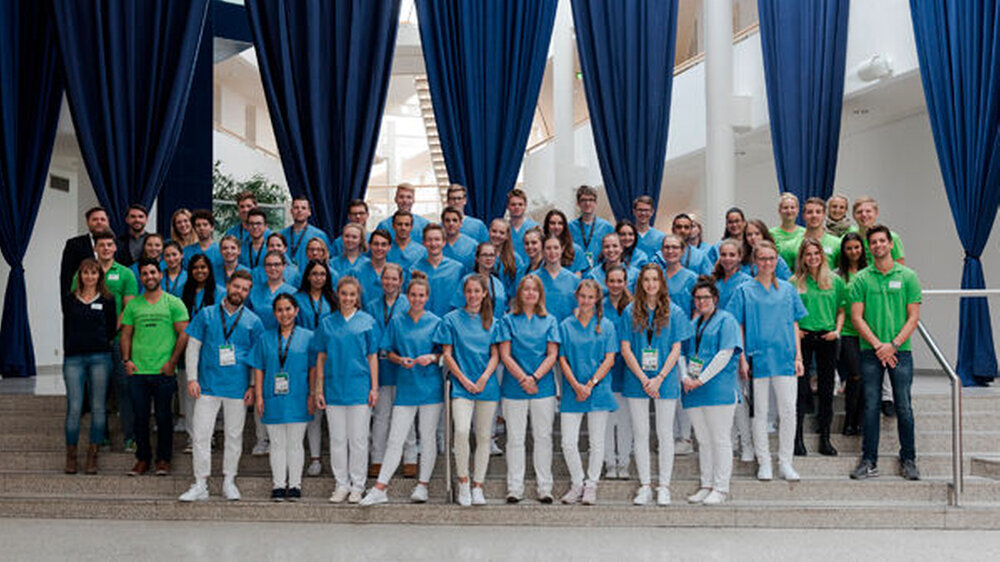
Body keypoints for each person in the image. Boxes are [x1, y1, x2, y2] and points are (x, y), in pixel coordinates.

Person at [178, 270, 263, 502]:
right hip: (207, 386)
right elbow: (193, 347)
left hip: (237, 388)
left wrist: (253, 386)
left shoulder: (253, 322)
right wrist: (192, 379)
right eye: (236, 286)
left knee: (234, 436)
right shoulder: (206, 314)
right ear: (228, 285)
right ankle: (200, 483)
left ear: (248, 292)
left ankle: (229, 481)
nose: (239, 292)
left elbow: (256, 358)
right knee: (201, 435)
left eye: (245, 289)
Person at [361, 276, 444, 505]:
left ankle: (423, 485)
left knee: (427, 437)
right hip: (406, 386)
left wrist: (432, 357)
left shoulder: (436, 322)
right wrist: (399, 360)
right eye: (413, 295)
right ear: (407, 296)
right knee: (395, 438)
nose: (417, 299)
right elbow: (387, 351)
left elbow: (444, 353)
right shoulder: (397, 322)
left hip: (430, 387)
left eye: (421, 295)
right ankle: (380, 488)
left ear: (427, 297)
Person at [729, 241, 807, 482]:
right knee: (760, 412)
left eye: (771, 258)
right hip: (757, 358)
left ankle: (785, 462)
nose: (767, 263)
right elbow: (738, 325)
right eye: (762, 259)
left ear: (777, 260)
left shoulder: (788, 289)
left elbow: (794, 323)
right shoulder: (744, 290)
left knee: (788, 411)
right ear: (755, 261)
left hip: (784, 357)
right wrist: (742, 358)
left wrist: (798, 356)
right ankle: (764, 462)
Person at [849, 225, 922, 481]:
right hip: (871, 352)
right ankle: (869, 460)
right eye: (874, 242)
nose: (878, 245)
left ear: (891, 244)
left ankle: (909, 458)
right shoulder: (861, 279)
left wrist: (893, 344)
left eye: (882, 241)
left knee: (904, 406)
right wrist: (879, 346)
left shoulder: (908, 276)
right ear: (869, 248)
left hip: (901, 351)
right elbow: (856, 317)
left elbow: (913, 317)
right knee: (870, 406)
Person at [619, 264, 694, 506]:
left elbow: (676, 348)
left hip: (665, 378)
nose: (650, 284)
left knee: (664, 433)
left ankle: (664, 486)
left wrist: (659, 377)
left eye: (655, 279)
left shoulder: (675, 311)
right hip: (636, 378)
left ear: (662, 283)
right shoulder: (630, 311)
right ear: (640, 283)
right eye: (646, 280)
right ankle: (645, 486)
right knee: (640, 433)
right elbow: (625, 348)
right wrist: (644, 378)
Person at [313, 276, 380, 503]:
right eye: (344, 294)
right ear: (337, 295)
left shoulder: (367, 322)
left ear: (358, 297)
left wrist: (374, 388)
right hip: (334, 388)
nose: (348, 298)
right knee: (338, 439)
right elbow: (321, 357)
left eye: (352, 294)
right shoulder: (327, 323)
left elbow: (372, 357)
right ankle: (341, 484)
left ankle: (358, 485)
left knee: (358, 439)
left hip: (359, 387)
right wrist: (319, 389)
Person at [120, 258, 190, 476]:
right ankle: (142, 459)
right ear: (140, 278)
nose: (149, 277)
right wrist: (126, 360)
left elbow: (184, 334)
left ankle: (163, 460)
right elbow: (126, 334)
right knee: (140, 417)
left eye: (152, 272)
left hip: (163, 371)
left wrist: (172, 362)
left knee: (163, 417)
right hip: (138, 371)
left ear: (160, 274)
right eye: (145, 273)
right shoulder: (133, 305)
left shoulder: (174, 302)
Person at [436, 274, 501, 506]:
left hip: (486, 386)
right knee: (462, 431)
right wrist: (463, 380)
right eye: (469, 291)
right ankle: (463, 481)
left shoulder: (493, 322)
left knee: (483, 436)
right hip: (461, 386)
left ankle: (478, 486)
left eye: (477, 291)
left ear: (484, 294)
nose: (473, 295)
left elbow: (495, 355)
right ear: (464, 293)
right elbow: (447, 354)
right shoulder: (451, 320)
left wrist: (483, 378)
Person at [72, 231, 138, 451]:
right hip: (92, 343)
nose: (106, 248)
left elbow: (129, 308)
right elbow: (76, 304)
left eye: (110, 244)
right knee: (97, 391)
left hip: (119, 340)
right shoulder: (84, 273)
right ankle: (102, 437)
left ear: (115, 248)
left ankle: (130, 437)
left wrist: (111, 332)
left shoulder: (126, 274)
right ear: (95, 248)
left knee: (124, 387)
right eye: (102, 245)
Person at [498, 274, 561, 503]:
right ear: (519, 293)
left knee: (543, 437)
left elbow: (552, 354)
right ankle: (515, 487)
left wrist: (534, 377)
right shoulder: (508, 320)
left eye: (534, 289)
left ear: (540, 294)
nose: (530, 293)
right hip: (514, 387)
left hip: (542, 387)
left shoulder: (549, 320)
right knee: (515, 438)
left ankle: (545, 487)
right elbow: (505, 354)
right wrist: (524, 379)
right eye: (526, 289)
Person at [681, 278, 742, 505]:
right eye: (697, 298)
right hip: (694, 390)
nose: (701, 301)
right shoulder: (693, 324)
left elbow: (725, 354)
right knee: (703, 440)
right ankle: (706, 484)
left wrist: (701, 379)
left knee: (720, 439)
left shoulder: (726, 321)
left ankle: (721, 487)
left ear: (715, 299)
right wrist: (685, 377)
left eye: (706, 297)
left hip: (718, 389)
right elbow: (681, 352)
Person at [558, 280, 618, 505]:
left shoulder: (606, 326)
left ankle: (591, 484)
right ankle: (577, 482)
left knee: (596, 442)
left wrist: (590, 384)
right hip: (572, 390)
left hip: (598, 390)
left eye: (590, 297)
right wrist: (576, 385)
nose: (586, 301)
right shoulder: (566, 325)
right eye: (583, 296)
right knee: (567, 442)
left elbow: (609, 359)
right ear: (577, 296)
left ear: (597, 299)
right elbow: (562, 359)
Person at [251, 294, 315, 501]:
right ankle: (278, 485)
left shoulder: (309, 337)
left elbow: (314, 368)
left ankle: (295, 485)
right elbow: (258, 368)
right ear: (274, 313)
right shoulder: (265, 338)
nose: (284, 313)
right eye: (279, 310)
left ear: (296, 311)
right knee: (277, 444)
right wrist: (259, 396)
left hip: (299, 397)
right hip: (272, 397)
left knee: (295, 443)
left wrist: (313, 394)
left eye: (288, 309)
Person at [791, 238, 846, 457]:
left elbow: (842, 310)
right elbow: (789, 313)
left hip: (827, 338)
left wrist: (837, 331)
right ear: (802, 257)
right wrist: (796, 331)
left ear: (822, 255)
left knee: (826, 389)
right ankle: (797, 439)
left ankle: (825, 438)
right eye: (808, 254)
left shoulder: (835, 281)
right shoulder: (794, 282)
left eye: (816, 253)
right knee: (801, 389)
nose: (812, 258)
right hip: (804, 337)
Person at [62, 259, 117, 474]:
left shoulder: (107, 300)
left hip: (100, 358)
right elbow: (67, 326)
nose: (90, 277)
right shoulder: (69, 299)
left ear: (99, 276)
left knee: (98, 407)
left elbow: (111, 328)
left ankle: (93, 455)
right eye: (86, 273)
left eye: (94, 273)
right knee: (74, 408)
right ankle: (71, 456)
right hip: (73, 359)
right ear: (80, 275)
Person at [364, 264, 416, 480]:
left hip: (403, 365)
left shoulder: (408, 303)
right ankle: (377, 457)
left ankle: (410, 457)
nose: (390, 283)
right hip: (381, 367)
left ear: (401, 281)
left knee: (406, 415)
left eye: (394, 279)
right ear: (381, 280)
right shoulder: (371, 305)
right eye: (386, 278)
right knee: (382, 415)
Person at [295, 259, 338, 476]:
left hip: (330, 358)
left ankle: (337, 459)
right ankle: (315, 458)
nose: (318, 278)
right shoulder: (297, 299)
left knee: (333, 410)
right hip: (303, 355)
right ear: (307, 276)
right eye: (314, 274)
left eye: (322, 274)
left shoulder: (334, 299)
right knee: (312, 408)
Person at [178, 254, 225, 449]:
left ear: (210, 270)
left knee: (208, 396)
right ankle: (192, 436)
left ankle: (209, 436)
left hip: (211, 349)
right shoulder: (183, 291)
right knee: (190, 395)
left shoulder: (220, 292)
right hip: (188, 347)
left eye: (203, 267)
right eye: (196, 267)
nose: (200, 271)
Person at [602, 266, 634, 479]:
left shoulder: (633, 307)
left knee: (624, 421)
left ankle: (623, 462)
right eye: (611, 281)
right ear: (606, 283)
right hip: (605, 371)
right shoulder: (599, 306)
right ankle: (609, 463)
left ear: (625, 282)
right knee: (606, 422)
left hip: (627, 370)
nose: (615, 285)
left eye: (619, 281)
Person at [836, 232, 868, 436]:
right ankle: (849, 420)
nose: (853, 251)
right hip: (847, 330)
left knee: (865, 377)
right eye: (849, 248)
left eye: (856, 247)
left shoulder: (870, 272)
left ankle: (860, 421)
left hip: (868, 331)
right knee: (855, 374)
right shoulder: (838, 275)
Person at [412, 224, 465, 318]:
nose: (433, 244)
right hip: (423, 321)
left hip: (450, 321)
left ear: (444, 242)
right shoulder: (414, 269)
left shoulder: (457, 269)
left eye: (437, 239)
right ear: (423, 243)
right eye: (429, 240)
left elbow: (461, 301)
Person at [60, 206, 111, 301]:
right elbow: (66, 277)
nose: (99, 222)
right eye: (95, 219)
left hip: (111, 301)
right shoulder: (74, 244)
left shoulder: (117, 245)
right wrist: (67, 303)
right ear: (87, 222)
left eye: (102, 219)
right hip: (82, 301)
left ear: (108, 222)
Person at [778, 197, 841, 271]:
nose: (814, 215)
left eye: (818, 212)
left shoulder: (837, 244)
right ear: (803, 215)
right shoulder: (789, 246)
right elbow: (785, 275)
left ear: (824, 215)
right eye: (809, 212)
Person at [453, 242, 508, 318]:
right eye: (484, 255)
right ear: (477, 258)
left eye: (492, 255)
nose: (488, 258)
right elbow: (458, 307)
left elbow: (502, 310)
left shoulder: (498, 284)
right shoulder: (467, 280)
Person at [248, 251, 297, 332]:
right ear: (264, 267)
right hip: (257, 336)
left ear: (284, 266)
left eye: (277, 264)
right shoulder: (254, 292)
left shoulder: (294, 293)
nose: (273, 268)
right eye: (269, 265)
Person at [568, 186, 614, 271]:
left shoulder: (606, 227)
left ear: (596, 202)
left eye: (591, 200)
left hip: (600, 272)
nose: (587, 203)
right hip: (576, 272)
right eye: (583, 200)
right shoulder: (570, 227)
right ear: (578, 203)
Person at [535, 235, 581, 321]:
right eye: (548, 248)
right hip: (541, 327)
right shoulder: (534, 279)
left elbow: (577, 310)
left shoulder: (574, 280)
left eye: (556, 248)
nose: (552, 252)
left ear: (562, 249)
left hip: (566, 328)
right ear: (542, 250)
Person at [848, 196, 906, 265]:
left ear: (876, 213)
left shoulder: (891, 237)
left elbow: (900, 266)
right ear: (853, 215)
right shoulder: (849, 239)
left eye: (868, 211)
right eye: (859, 212)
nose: (864, 215)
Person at [653, 234, 698, 317]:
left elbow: (697, 310)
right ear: (661, 250)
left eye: (675, 247)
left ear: (683, 250)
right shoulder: (656, 277)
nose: (670, 251)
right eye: (666, 247)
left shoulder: (692, 278)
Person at [281, 196, 330, 268]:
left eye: (303, 208)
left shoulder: (319, 235)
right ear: (291, 211)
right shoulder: (282, 235)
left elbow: (326, 261)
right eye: (296, 208)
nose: (299, 210)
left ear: (309, 212)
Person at [352, 230, 393, 306]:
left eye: (383, 245)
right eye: (376, 244)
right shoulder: (357, 272)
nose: (379, 248)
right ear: (369, 245)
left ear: (389, 247)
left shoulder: (395, 273)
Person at [711, 239, 752, 312]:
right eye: (723, 255)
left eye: (732, 255)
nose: (727, 258)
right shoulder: (714, 280)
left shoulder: (746, 282)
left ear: (739, 257)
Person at [543, 209, 588, 274]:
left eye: (560, 223)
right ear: (546, 225)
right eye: (552, 223)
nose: (556, 227)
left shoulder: (575, 250)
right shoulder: (540, 248)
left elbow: (578, 276)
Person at [489, 218, 524, 298]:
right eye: (494, 231)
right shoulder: (481, 255)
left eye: (502, 233)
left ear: (507, 235)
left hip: (507, 303)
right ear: (489, 231)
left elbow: (519, 286)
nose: (497, 235)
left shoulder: (515, 259)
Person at [506, 189, 539, 262]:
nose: (517, 207)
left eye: (520, 204)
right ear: (507, 206)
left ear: (525, 206)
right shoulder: (503, 229)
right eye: (513, 204)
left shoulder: (535, 227)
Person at [442, 206, 478, 270]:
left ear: (461, 223)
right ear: (442, 223)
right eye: (447, 220)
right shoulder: (436, 245)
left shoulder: (472, 245)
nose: (451, 224)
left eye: (454, 220)